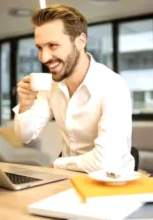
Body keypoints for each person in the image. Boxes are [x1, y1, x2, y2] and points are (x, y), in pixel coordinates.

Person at [13, 4, 134, 173]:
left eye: (53, 45)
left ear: (80, 41)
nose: (44, 57)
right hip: (68, 179)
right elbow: (24, 136)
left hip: (110, 183)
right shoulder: (51, 85)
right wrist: (25, 105)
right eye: (40, 48)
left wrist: (58, 163)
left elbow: (105, 162)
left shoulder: (113, 86)